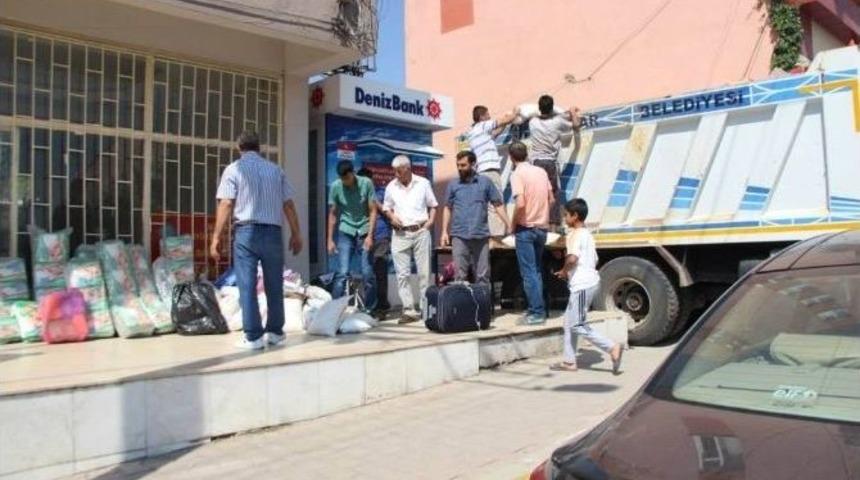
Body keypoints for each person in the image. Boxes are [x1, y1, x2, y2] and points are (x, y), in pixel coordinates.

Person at [210, 130, 303, 350]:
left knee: (247, 285)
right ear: (259, 148)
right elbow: (288, 205)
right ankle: (275, 332)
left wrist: (216, 237)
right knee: (274, 284)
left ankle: (253, 337)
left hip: (246, 233)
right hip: (273, 232)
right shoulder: (275, 170)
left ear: (238, 147)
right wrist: (296, 234)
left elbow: (226, 204)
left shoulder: (233, 169)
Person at [552, 198, 622, 374]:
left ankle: (611, 347)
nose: (564, 218)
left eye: (566, 215)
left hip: (582, 285)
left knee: (577, 324)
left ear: (575, 216)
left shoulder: (576, 235)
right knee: (569, 322)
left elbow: (573, 258)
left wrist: (564, 270)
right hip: (585, 283)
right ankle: (569, 362)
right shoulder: (587, 234)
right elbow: (593, 258)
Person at [382, 155, 438, 323]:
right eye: (394, 171)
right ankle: (409, 310)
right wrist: (391, 217)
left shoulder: (423, 183)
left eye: (399, 171)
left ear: (407, 168)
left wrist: (430, 222)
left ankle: (425, 308)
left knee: (424, 273)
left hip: (421, 231)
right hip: (400, 234)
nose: (396, 174)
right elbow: (386, 207)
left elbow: (433, 205)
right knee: (402, 274)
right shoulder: (391, 186)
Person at [440, 150, 510, 285]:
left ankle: (482, 304)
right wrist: (444, 231)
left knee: (483, 275)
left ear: (473, 164)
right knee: (460, 276)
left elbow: (498, 204)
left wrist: (509, 224)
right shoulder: (453, 184)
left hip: (480, 235)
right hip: (459, 235)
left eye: (463, 165)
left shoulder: (485, 182)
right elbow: (448, 208)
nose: (460, 168)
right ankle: (461, 305)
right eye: (458, 165)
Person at [508, 141, 554, 325]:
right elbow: (551, 199)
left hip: (525, 229)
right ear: (526, 154)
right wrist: (541, 214)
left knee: (528, 272)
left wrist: (512, 224)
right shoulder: (541, 172)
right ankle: (541, 308)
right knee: (536, 270)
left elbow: (520, 204)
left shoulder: (517, 174)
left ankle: (536, 312)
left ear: (511, 158)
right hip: (542, 228)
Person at [327, 160, 378, 312]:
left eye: (347, 179)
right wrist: (329, 239)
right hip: (346, 230)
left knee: (367, 272)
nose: (345, 182)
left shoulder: (366, 183)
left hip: (364, 229)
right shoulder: (336, 187)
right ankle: (334, 309)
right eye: (342, 179)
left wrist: (370, 236)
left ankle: (369, 309)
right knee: (343, 272)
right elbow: (333, 214)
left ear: (353, 173)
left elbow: (373, 211)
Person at [528, 95, 582, 230]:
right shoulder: (557, 122)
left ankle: (537, 222)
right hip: (550, 162)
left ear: (539, 108)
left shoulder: (532, 122)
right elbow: (575, 125)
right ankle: (553, 225)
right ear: (552, 108)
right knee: (554, 192)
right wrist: (573, 112)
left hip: (536, 163)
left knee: (538, 193)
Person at [467, 105, 519, 246]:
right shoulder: (482, 126)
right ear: (482, 117)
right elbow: (502, 120)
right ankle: (497, 237)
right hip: (490, 170)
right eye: (488, 114)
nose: (489, 116)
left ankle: (490, 236)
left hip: (481, 172)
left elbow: (496, 132)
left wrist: (506, 123)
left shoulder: (473, 133)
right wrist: (514, 114)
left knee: (488, 204)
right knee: (496, 203)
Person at [357, 167, 392, 318]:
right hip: (363, 237)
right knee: (367, 273)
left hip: (381, 235)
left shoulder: (382, 192)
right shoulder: (356, 195)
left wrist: (373, 199)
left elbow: (388, 211)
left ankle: (382, 307)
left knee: (380, 271)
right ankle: (370, 305)